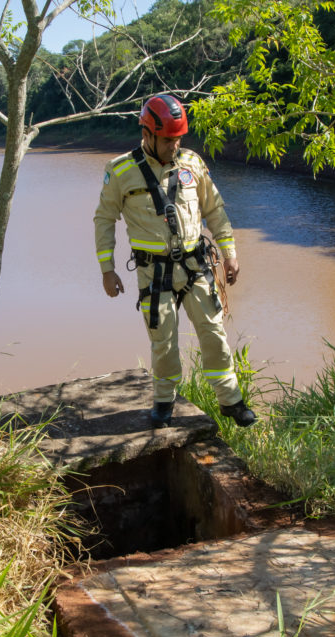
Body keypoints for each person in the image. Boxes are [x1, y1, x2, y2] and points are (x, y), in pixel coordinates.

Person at [93, 93, 257, 429]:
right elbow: (104, 219)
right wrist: (106, 270)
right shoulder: (121, 171)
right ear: (147, 134)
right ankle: (164, 403)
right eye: (168, 139)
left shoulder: (192, 163)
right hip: (154, 274)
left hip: (196, 268)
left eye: (178, 138)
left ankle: (231, 401)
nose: (174, 145)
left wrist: (230, 253)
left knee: (214, 333)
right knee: (163, 342)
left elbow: (215, 209)